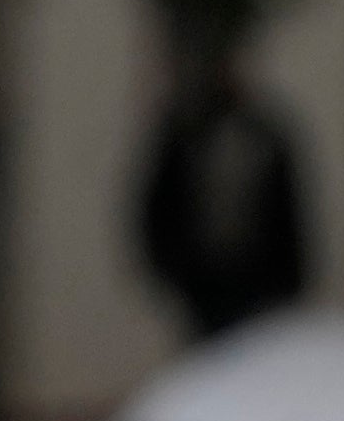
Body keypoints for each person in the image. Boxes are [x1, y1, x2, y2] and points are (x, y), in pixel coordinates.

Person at [128, 26, 314, 339]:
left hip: (256, 282)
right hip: (205, 283)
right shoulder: (186, 133)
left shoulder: (263, 135)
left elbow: (288, 210)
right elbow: (157, 209)